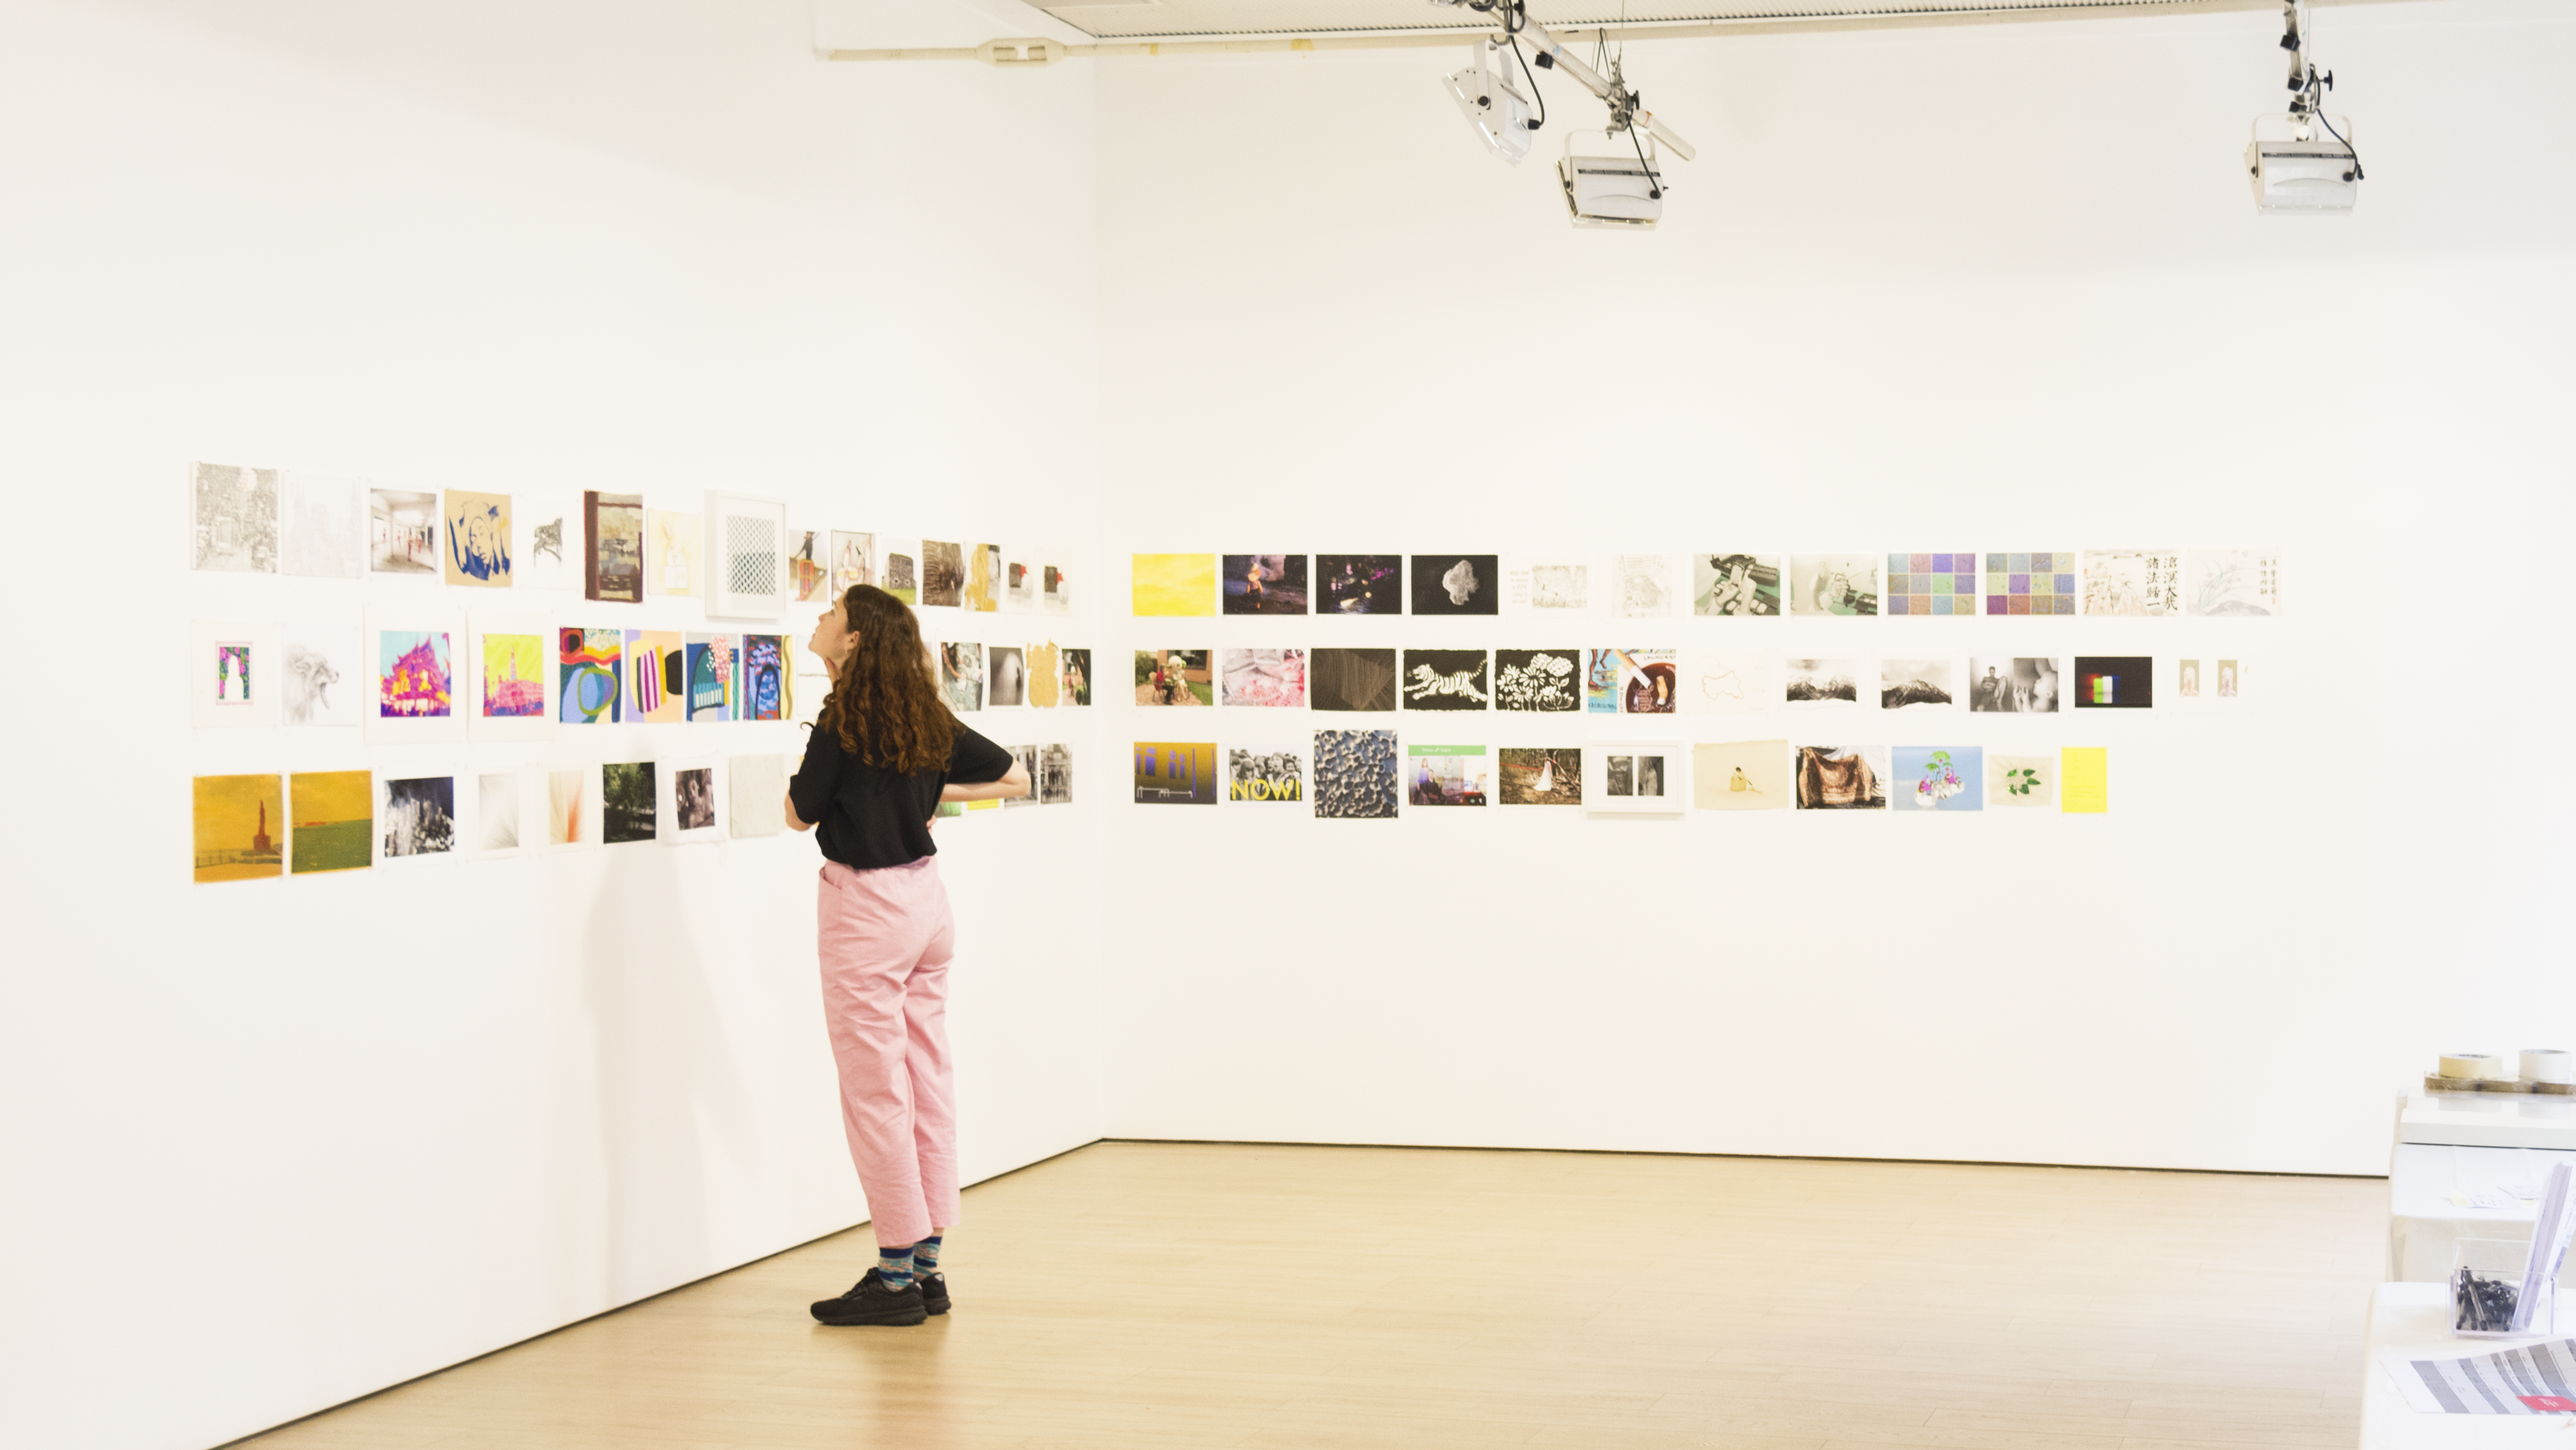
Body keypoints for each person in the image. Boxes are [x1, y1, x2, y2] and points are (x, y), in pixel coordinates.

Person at [787, 584, 1029, 1328]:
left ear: (854, 640)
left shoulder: (841, 719)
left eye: (831, 614)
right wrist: (923, 792)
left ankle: (894, 1278)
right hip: (927, 906)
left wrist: (900, 792)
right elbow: (1014, 776)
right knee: (928, 1077)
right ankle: (927, 1269)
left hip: (867, 912)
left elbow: (799, 814)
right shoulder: (924, 713)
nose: (819, 620)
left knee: (876, 1093)